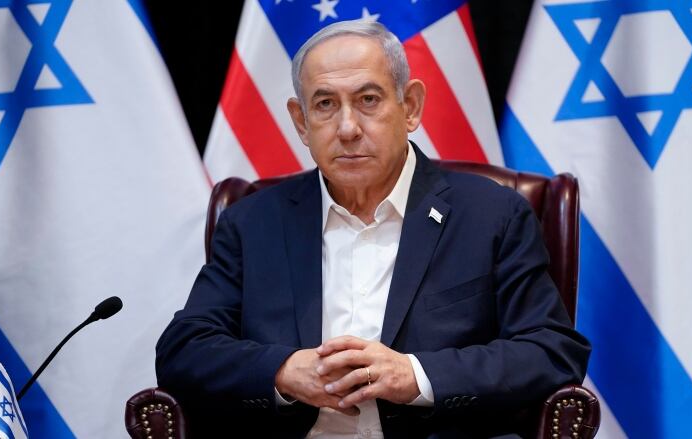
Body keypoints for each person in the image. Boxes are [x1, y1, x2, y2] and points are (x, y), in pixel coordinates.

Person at [155, 20, 590, 438]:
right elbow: (184, 350)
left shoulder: (492, 214)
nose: (347, 128)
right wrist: (283, 371)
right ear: (302, 122)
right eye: (325, 104)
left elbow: (550, 351)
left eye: (368, 99)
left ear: (411, 106)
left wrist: (417, 375)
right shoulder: (252, 223)